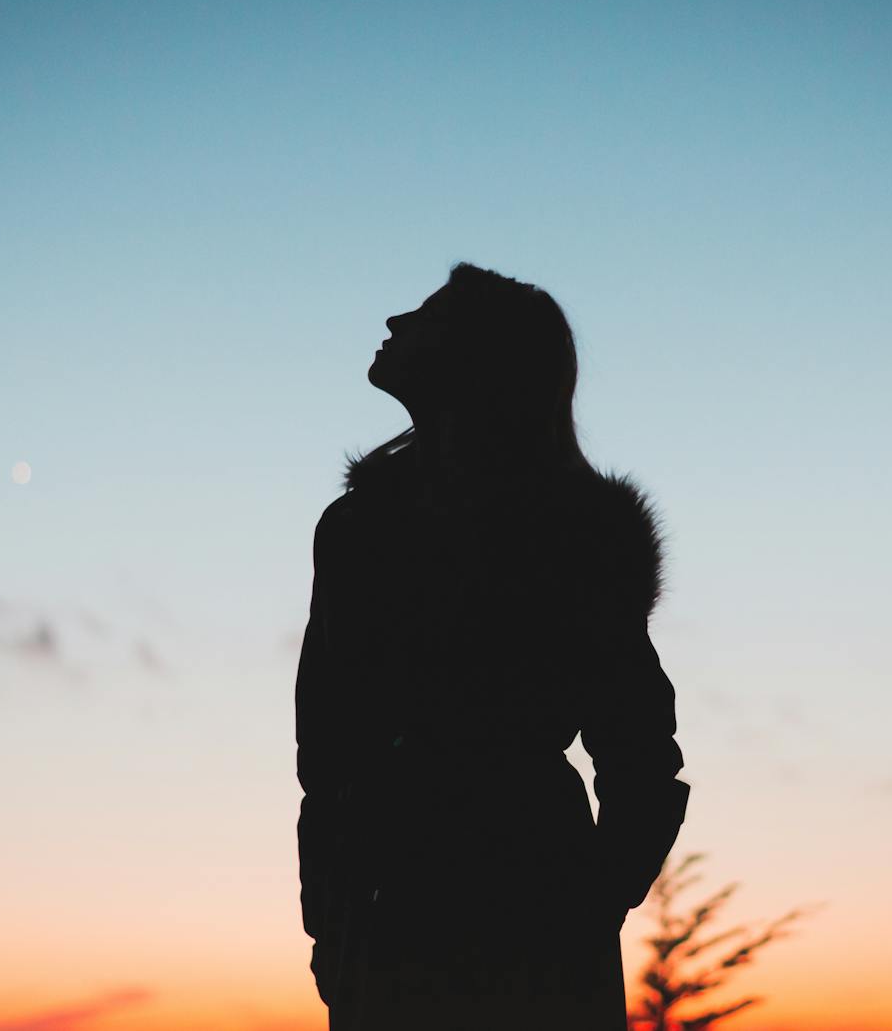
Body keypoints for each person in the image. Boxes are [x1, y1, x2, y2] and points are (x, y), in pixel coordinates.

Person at [296, 262, 691, 1030]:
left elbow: (643, 760)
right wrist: (330, 927)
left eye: (430, 314)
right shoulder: (356, 533)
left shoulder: (577, 540)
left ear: (478, 363)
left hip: (535, 937)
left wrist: (585, 907)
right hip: (387, 927)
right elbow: (328, 754)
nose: (397, 322)